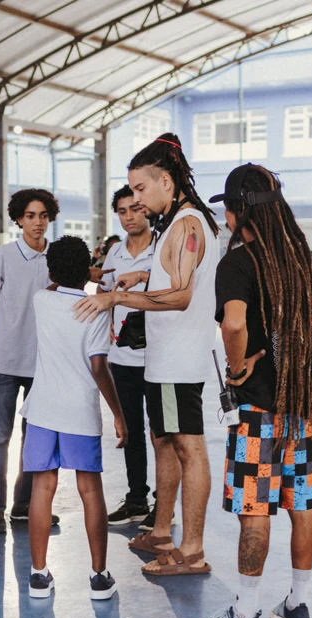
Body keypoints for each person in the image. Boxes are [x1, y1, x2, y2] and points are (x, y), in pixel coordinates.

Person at [185, 163, 312, 618]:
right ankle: (297, 605)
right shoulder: (304, 259)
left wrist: (238, 364)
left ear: (234, 211)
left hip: (258, 416)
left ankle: (245, 616)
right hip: (301, 413)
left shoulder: (239, 262)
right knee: (301, 507)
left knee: (256, 511)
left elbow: (233, 323)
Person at [74, 133, 221, 578]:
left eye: (140, 189)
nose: (135, 200)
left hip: (179, 360)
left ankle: (191, 551)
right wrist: (140, 273)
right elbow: (171, 278)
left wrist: (115, 299)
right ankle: (161, 531)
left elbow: (179, 296)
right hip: (166, 359)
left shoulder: (187, 224)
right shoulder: (177, 224)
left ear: (166, 181)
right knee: (164, 441)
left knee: (188, 447)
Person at [20, 236, 127, 599]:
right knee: (89, 488)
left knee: (42, 487)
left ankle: (38, 574)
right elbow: (99, 366)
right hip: (79, 409)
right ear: (87, 270)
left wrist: (77, 273)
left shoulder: (41, 299)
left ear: (50, 270)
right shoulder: (95, 307)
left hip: (42, 410)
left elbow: (55, 282)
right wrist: (118, 414)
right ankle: (99, 576)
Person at [0, 188, 60, 533]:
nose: (37, 222)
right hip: (4, 364)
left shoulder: (56, 257)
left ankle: (23, 505)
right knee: (0, 439)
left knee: (34, 438)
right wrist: (3, 337)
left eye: (43, 215)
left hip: (41, 364)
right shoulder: (2, 255)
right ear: (18, 219)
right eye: (30, 216)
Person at [99, 185, 156, 525]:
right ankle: (137, 499)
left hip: (158, 358)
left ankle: (164, 504)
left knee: (162, 436)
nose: (129, 216)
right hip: (122, 359)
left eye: (135, 208)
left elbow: (178, 286)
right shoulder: (115, 254)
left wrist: (145, 275)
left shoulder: (163, 245)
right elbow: (105, 294)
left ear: (145, 209)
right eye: (122, 211)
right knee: (131, 433)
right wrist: (106, 325)